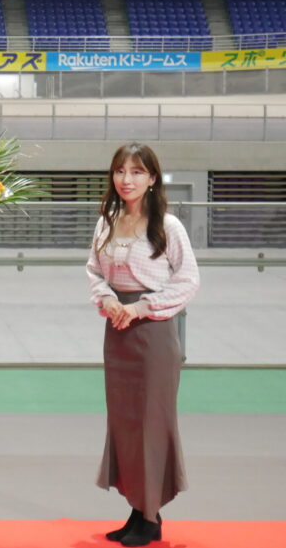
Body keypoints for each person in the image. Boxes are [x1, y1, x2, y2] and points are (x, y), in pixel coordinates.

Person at [87, 143, 199, 548]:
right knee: (125, 423)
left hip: (153, 334)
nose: (126, 179)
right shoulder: (107, 221)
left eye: (136, 172)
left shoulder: (168, 226)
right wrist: (108, 300)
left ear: (152, 179)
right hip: (117, 331)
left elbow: (187, 280)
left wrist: (141, 308)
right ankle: (138, 510)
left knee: (152, 423)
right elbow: (94, 271)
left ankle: (151, 517)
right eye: (120, 171)